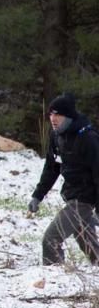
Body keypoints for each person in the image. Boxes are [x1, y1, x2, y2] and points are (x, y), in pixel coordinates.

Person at [28, 93, 99, 266]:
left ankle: (54, 276)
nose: (53, 119)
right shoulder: (56, 136)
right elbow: (51, 168)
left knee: (51, 239)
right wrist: (38, 195)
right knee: (86, 241)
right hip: (71, 195)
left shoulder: (88, 139)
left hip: (84, 199)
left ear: (68, 116)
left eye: (57, 114)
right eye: (51, 114)